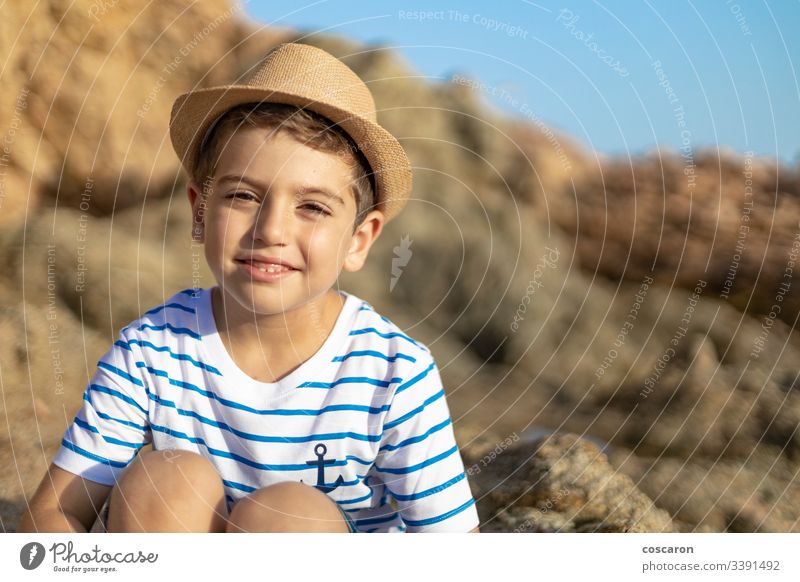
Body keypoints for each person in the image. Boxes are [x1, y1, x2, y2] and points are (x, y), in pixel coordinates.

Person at [19, 42, 480, 533]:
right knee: (167, 480)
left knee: (287, 516)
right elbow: (56, 511)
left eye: (313, 207)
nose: (271, 230)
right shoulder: (153, 350)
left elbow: (453, 546)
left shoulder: (394, 372)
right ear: (200, 212)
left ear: (359, 239)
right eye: (242, 195)